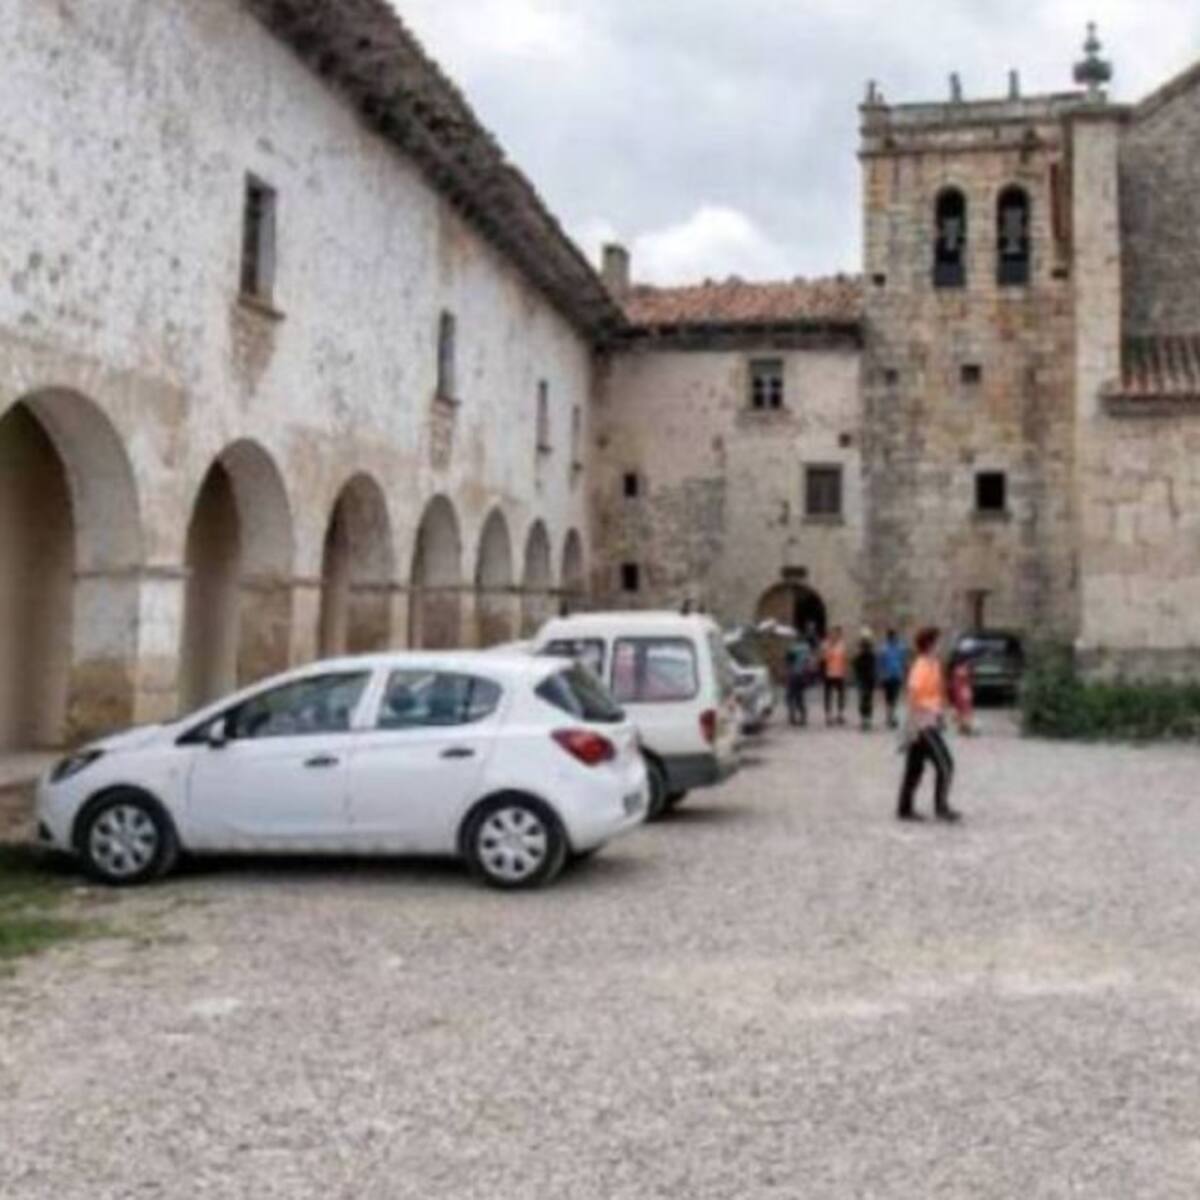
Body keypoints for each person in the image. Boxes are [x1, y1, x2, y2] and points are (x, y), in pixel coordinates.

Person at [896, 626, 962, 823]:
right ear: (930, 644)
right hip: (923, 723)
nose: (941, 645)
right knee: (946, 764)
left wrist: (943, 711)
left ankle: (904, 808)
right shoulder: (921, 666)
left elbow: (937, 693)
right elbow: (913, 693)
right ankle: (941, 807)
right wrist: (915, 722)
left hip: (930, 719)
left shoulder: (934, 665)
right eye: (938, 641)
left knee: (914, 767)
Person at [878, 629, 908, 729]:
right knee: (888, 697)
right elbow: (881, 663)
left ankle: (891, 715)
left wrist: (904, 673)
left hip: (896, 675)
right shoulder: (884, 649)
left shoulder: (900, 648)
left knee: (894, 697)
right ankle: (889, 716)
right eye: (893, 637)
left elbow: (903, 661)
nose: (894, 638)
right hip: (888, 676)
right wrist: (881, 675)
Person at [784, 634, 813, 727]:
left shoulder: (793, 648)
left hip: (793, 674)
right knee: (799, 697)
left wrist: (786, 671)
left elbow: (788, 661)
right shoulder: (807, 648)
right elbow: (808, 662)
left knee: (789, 696)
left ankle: (792, 716)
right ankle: (802, 716)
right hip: (802, 675)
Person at [821, 626, 848, 726]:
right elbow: (823, 659)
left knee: (841, 695)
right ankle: (828, 716)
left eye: (838, 634)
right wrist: (829, 650)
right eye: (834, 633)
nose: (836, 635)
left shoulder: (842, 645)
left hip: (839, 674)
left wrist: (844, 670)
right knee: (828, 695)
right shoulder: (825, 644)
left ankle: (840, 715)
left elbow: (844, 659)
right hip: (829, 673)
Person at [852, 628, 878, 731]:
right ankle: (865, 720)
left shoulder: (869, 655)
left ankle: (866, 720)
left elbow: (856, 665)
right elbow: (855, 665)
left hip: (866, 679)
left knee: (866, 700)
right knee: (865, 700)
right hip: (864, 679)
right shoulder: (863, 655)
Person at [949, 650, 975, 735]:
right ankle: (965, 727)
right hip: (964, 691)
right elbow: (968, 680)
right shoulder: (964, 669)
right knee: (965, 710)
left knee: (961, 709)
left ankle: (963, 727)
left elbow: (954, 683)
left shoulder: (956, 669)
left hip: (960, 691)